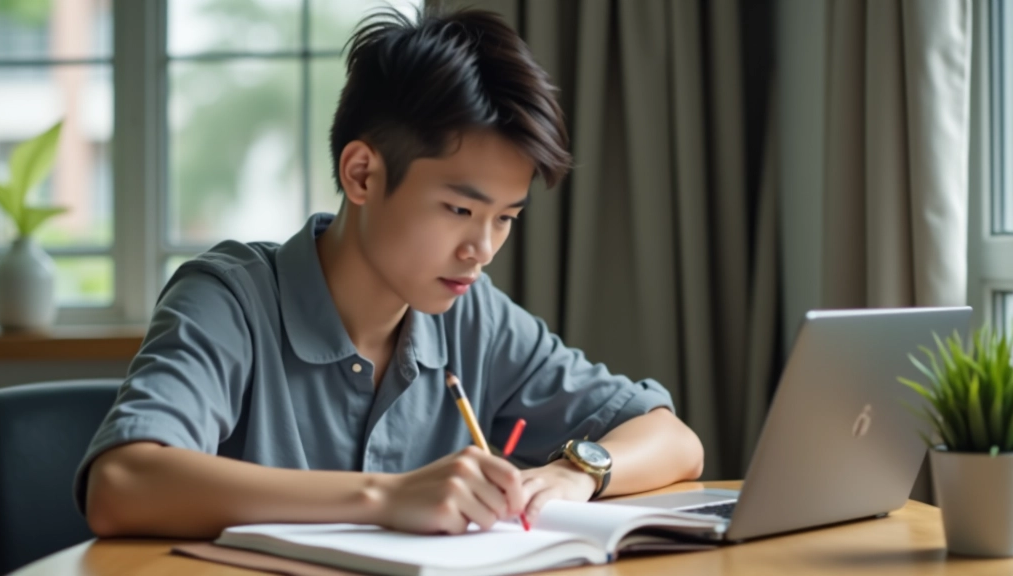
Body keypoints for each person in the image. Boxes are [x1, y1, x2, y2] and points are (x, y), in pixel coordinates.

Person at [78, 7, 704, 539]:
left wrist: (577, 471)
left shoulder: (472, 313)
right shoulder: (227, 298)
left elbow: (674, 440)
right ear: (362, 174)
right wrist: (384, 497)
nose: (481, 249)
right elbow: (122, 483)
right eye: (459, 209)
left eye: (505, 218)